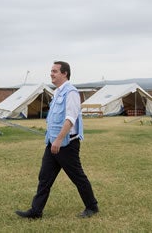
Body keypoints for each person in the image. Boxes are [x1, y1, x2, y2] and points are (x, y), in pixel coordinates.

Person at [15, 61, 98, 219]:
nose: (51, 74)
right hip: (52, 143)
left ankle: (92, 207)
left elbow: (70, 118)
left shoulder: (71, 92)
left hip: (66, 144)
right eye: (51, 71)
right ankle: (36, 211)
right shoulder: (57, 92)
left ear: (64, 73)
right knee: (44, 177)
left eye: (55, 71)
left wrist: (59, 140)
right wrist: (53, 140)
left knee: (77, 177)